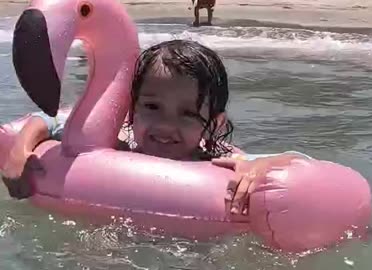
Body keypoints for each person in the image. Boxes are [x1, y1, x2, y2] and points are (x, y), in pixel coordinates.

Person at [1, 40, 311, 215]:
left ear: (215, 124)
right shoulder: (117, 142)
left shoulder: (218, 159)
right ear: (129, 109)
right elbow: (49, 121)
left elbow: (299, 162)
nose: (165, 126)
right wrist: (20, 151)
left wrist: (262, 167)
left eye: (188, 114)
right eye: (151, 107)